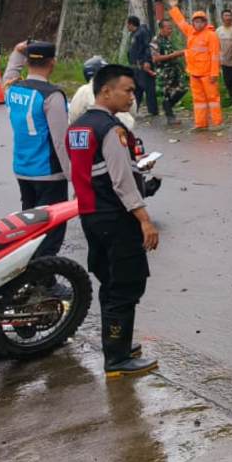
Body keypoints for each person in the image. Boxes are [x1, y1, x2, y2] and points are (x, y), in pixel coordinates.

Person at [67, 62, 160, 378]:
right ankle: (117, 359)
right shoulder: (111, 129)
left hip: (91, 216)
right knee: (126, 284)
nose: (132, 97)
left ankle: (118, 345)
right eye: (128, 90)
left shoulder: (78, 127)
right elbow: (122, 181)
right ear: (106, 91)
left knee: (110, 281)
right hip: (116, 219)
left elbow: (83, 173)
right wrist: (145, 219)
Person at [4, 40, 72, 258]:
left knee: (30, 227)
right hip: (49, 173)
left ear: (28, 63)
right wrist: (74, 177)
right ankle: (45, 279)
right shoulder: (52, 96)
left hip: (22, 170)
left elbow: (8, 76)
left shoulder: (13, 89)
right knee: (51, 230)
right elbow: (61, 141)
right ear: (52, 63)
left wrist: (16, 53)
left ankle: (29, 274)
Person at [166, 0, 223, 130]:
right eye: (196, 21)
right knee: (198, 101)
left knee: (213, 99)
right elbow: (181, 23)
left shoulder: (211, 36)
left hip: (208, 73)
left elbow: (215, 56)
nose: (198, 24)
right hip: (194, 72)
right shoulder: (191, 32)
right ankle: (201, 124)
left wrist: (214, 73)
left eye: (200, 21)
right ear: (193, 23)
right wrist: (173, 8)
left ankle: (217, 123)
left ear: (205, 22)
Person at [151, 18, 187, 127]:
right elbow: (155, 58)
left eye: (171, 28)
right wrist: (174, 55)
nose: (171, 30)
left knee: (183, 89)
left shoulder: (167, 40)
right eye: (168, 28)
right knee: (166, 94)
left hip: (174, 71)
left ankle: (167, 107)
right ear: (161, 29)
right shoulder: (155, 41)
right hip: (164, 72)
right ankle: (170, 117)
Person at [126, 16, 158, 119]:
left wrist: (147, 61)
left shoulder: (143, 32)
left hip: (143, 65)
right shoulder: (134, 34)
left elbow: (148, 47)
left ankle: (153, 111)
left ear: (131, 24)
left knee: (148, 87)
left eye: (128, 24)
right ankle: (134, 109)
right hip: (135, 66)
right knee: (137, 89)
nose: (127, 27)